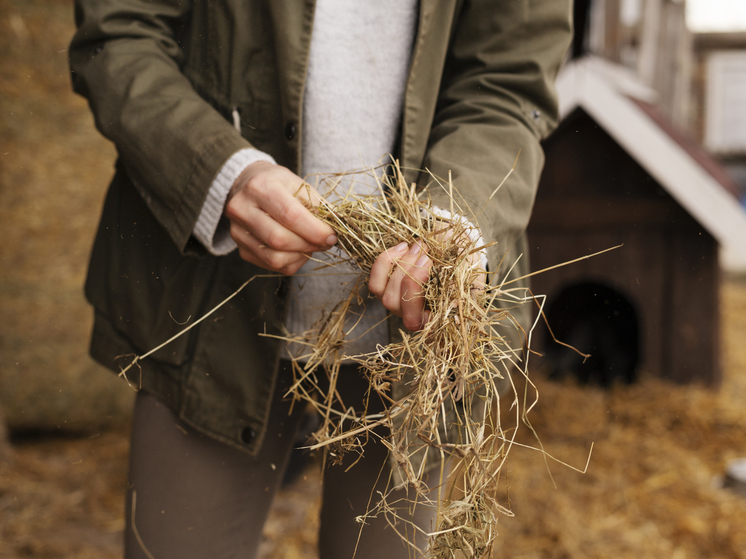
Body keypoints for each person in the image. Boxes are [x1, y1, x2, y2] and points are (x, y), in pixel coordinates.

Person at [69, 1, 572, 557]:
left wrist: (460, 213)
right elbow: (119, 33)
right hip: (211, 306)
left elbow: (508, 81)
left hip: (417, 341)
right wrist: (221, 173)